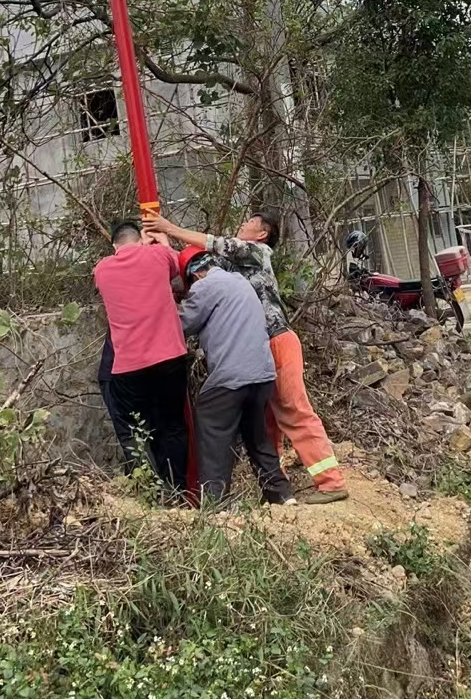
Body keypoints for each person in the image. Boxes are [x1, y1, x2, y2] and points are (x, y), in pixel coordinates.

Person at [143, 209, 348, 503]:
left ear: (262, 233)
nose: (242, 223)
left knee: (293, 410)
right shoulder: (230, 269)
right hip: (258, 348)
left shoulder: (257, 252)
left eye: (249, 222)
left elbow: (214, 245)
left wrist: (169, 227)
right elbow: (198, 264)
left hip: (277, 340)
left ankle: (331, 482)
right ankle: (278, 491)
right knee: (265, 422)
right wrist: (163, 245)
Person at [178, 246, 295, 506]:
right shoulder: (240, 281)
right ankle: (282, 495)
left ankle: (215, 504)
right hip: (263, 375)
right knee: (256, 435)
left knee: (211, 427)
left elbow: (182, 324)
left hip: (232, 377)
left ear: (194, 275)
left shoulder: (204, 286)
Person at [94, 220, 189, 493]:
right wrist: (159, 244)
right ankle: (178, 491)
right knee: (171, 426)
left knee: (132, 429)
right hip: (170, 358)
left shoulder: (102, 269)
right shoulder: (158, 255)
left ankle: (147, 488)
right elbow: (177, 268)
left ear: (114, 246)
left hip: (129, 367)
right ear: (139, 238)